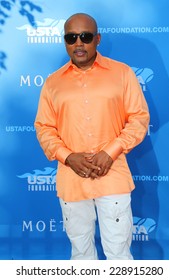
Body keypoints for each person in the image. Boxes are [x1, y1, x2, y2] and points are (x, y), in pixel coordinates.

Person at [34, 13, 150, 260]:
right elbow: (44, 127)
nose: (78, 43)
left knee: (118, 253)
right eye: (71, 37)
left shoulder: (122, 73)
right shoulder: (53, 83)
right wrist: (68, 157)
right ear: (65, 42)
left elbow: (139, 118)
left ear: (97, 39)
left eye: (85, 36)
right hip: (72, 179)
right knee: (81, 254)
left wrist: (110, 152)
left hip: (113, 176)